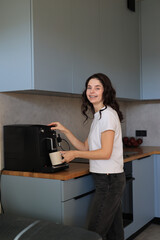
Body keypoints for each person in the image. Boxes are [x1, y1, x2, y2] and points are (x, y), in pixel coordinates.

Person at [48, 73, 126, 240]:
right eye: (89, 87)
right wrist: (65, 130)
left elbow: (105, 153)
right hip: (107, 180)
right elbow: (85, 146)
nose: (92, 91)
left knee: (93, 233)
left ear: (106, 91)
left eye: (97, 88)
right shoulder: (98, 117)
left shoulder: (107, 116)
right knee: (114, 232)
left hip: (109, 181)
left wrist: (74, 154)